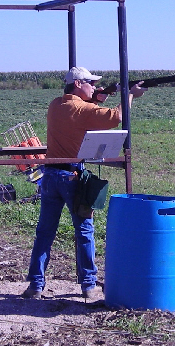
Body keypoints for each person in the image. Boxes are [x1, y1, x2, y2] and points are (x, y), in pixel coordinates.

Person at [22, 66, 147, 300]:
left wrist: (98, 97)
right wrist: (130, 94)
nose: (93, 85)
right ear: (78, 84)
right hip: (72, 177)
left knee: (45, 233)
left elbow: (83, 115)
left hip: (49, 175)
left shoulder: (55, 104)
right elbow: (115, 117)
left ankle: (35, 285)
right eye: (89, 82)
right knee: (84, 231)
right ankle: (89, 285)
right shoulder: (81, 108)